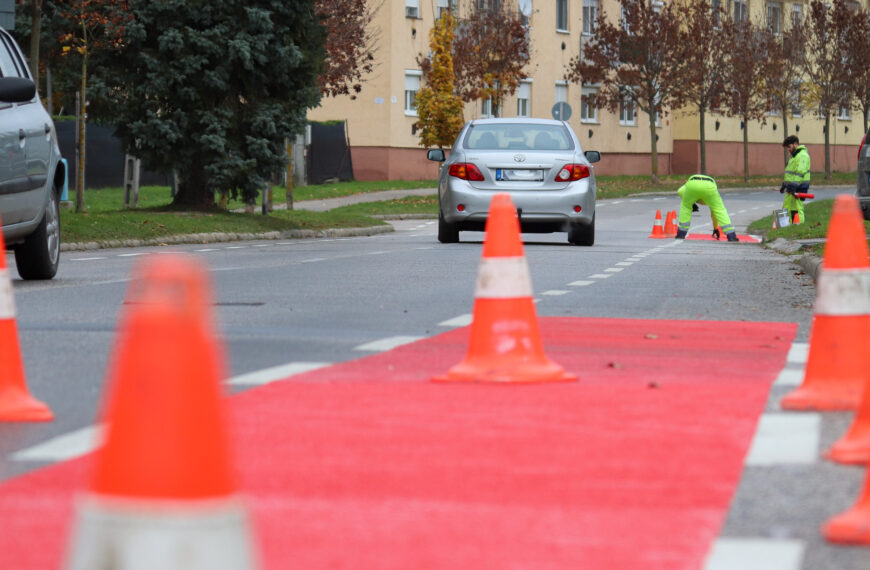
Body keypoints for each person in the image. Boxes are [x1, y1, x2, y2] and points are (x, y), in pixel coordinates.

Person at [675, 174, 739, 242]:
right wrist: (715, 228)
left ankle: (681, 234)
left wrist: (691, 203)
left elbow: (679, 191)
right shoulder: (710, 198)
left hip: (692, 183)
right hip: (709, 186)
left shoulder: (687, 189)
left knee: (686, 207)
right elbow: (714, 213)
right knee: (720, 210)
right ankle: (731, 235)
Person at [779, 135, 810, 224]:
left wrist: (793, 186)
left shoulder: (802, 156)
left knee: (797, 209)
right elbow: (790, 174)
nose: (788, 149)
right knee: (787, 208)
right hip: (791, 188)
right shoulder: (794, 156)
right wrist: (784, 184)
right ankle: (786, 226)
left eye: (789, 146)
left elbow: (800, 172)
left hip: (799, 188)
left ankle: (799, 227)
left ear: (795, 144)